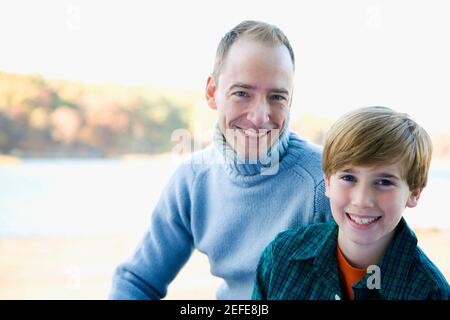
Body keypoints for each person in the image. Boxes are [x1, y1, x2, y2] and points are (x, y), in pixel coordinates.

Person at [109, 20, 331, 300]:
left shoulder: (327, 179)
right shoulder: (192, 180)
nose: (260, 116)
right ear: (212, 92)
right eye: (242, 93)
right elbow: (137, 281)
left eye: (276, 97)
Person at [252, 106, 450, 300]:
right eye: (348, 178)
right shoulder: (280, 256)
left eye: (384, 182)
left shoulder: (430, 292)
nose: (362, 200)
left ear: (414, 193)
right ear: (328, 183)